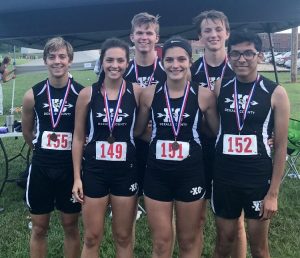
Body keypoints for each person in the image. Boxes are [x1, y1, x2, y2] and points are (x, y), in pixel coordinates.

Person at [135, 37, 218, 258]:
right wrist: (155, 138)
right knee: (161, 242)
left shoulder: (204, 95)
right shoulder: (149, 94)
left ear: (190, 61)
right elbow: (137, 131)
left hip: (191, 174)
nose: (175, 65)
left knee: (188, 240)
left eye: (181, 59)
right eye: (169, 60)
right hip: (157, 174)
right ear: (162, 63)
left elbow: (215, 132)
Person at [212, 31, 290, 258]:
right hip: (224, 177)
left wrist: (273, 194)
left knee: (259, 248)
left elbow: (281, 146)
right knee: (223, 243)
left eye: (248, 53)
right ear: (228, 57)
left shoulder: (276, 92)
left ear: (260, 56)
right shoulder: (220, 87)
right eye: (235, 54)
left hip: (257, 178)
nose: (242, 59)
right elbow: (214, 127)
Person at [72, 38, 140, 258]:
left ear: (127, 64)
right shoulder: (87, 94)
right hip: (95, 172)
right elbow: (79, 137)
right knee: (92, 237)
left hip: (125, 173)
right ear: (101, 62)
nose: (115, 65)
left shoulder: (138, 92)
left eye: (120, 60)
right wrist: (77, 178)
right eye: (109, 60)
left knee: (123, 236)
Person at [191, 10, 246, 257]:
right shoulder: (190, 70)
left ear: (227, 33)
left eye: (218, 29)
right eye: (207, 30)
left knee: (237, 220)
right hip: (199, 149)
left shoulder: (239, 68)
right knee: (198, 217)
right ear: (199, 37)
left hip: (231, 151)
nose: (213, 34)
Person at [22, 37, 82, 258]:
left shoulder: (81, 94)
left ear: (70, 61)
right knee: (39, 228)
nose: (57, 61)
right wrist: (41, 150)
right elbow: (28, 132)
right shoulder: (32, 95)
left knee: (70, 226)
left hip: (69, 168)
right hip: (41, 168)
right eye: (52, 56)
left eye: (62, 56)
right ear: (45, 60)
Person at [124, 12, 167, 197]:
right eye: (139, 33)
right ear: (132, 37)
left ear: (156, 38)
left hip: (159, 143)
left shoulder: (168, 70)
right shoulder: (122, 70)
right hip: (129, 142)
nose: (144, 37)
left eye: (149, 33)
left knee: (164, 201)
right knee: (130, 200)